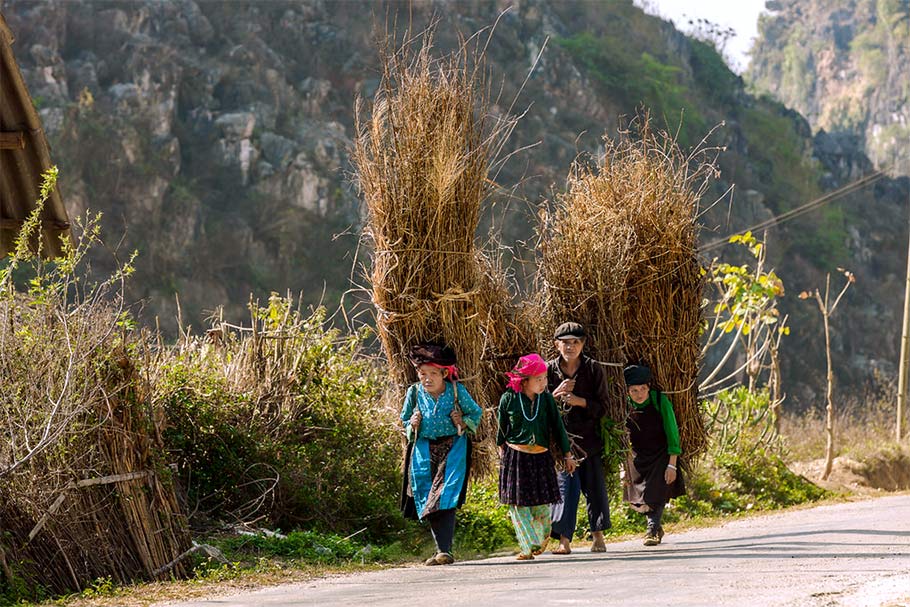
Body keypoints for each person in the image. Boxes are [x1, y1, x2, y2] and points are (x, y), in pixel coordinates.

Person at [400, 343, 483, 566]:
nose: (427, 379)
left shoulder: (456, 392)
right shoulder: (414, 393)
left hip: (453, 447)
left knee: (445, 495)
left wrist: (462, 422)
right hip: (424, 449)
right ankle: (441, 550)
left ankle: (444, 550)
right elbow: (404, 418)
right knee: (428, 495)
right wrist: (412, 424)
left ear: (444, 373)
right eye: (422, 374)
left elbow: (476, 412)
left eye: (433, 374)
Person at [498, 353, 576, 560]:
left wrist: (568, 455)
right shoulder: (508, 399)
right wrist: (502, 455)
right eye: (538, 379)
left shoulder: (547, 400)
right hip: (515, 457)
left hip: (540, 457)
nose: (543, 383)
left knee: (541, 502)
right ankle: (526, 547)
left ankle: (539, 540)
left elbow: (558, 429)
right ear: (524, 381)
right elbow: (501, 431)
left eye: (545, 379)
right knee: (518, 504)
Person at [547, 322, 611, 554]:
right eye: (565, 342)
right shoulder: (548, 370)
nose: (570, 346)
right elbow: (540, 405)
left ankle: (598, 535)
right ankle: (564, 541)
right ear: (557, 345)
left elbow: (604, 406)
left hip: (588, 439)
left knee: (594, 489)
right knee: (565, 489)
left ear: (583, 344)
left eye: (575, 342)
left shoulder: (593, 369)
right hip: (561, 442)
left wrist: (578, 401)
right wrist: (555, 395)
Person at [622, 364, 685, 546]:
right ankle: (656, 527)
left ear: (649, 387)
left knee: (656, 491)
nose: (639, 394)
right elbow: (621, 435)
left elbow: (672, 432)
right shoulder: (624, 405)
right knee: (638, 500)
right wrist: (623, 466)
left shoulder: (659, 401)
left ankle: (651, 529)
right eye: (634, 390)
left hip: (660, 454)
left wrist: (672, 464)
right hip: (637, 456)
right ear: (627, 391)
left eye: (643, 389)